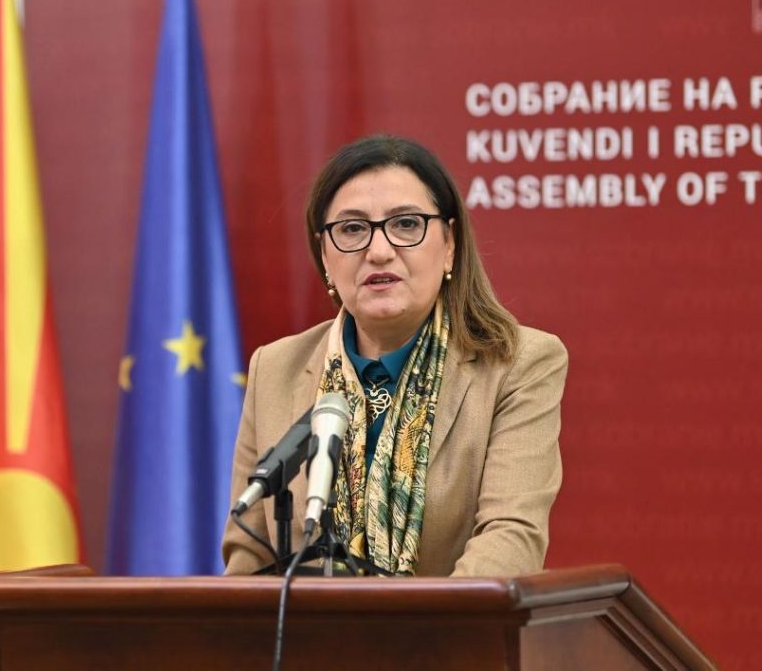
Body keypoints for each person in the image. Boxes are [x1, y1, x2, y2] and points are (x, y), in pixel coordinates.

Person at [222, 135, 567, 577]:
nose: (379, 251)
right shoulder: (275, 368)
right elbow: (249, 555)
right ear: (325, 254)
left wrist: (411, 622)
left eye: (406, 224)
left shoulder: (518, 364)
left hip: (454, 622)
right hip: (304, 624)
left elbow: (511, 537)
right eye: (352, 229)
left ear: (449, 245)